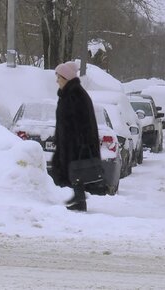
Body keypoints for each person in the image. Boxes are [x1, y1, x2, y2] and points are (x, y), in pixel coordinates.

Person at [51, 61, 100, 212]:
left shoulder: (75, 95)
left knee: (75, 171)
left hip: (76, 143)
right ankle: (78, 199)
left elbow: (82, 122)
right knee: (70, 171)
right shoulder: (69, 94)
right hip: (69, 142)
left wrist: (80, 142)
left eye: (58, 77)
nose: (57, 80)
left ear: (65, 77)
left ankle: (79, 200)